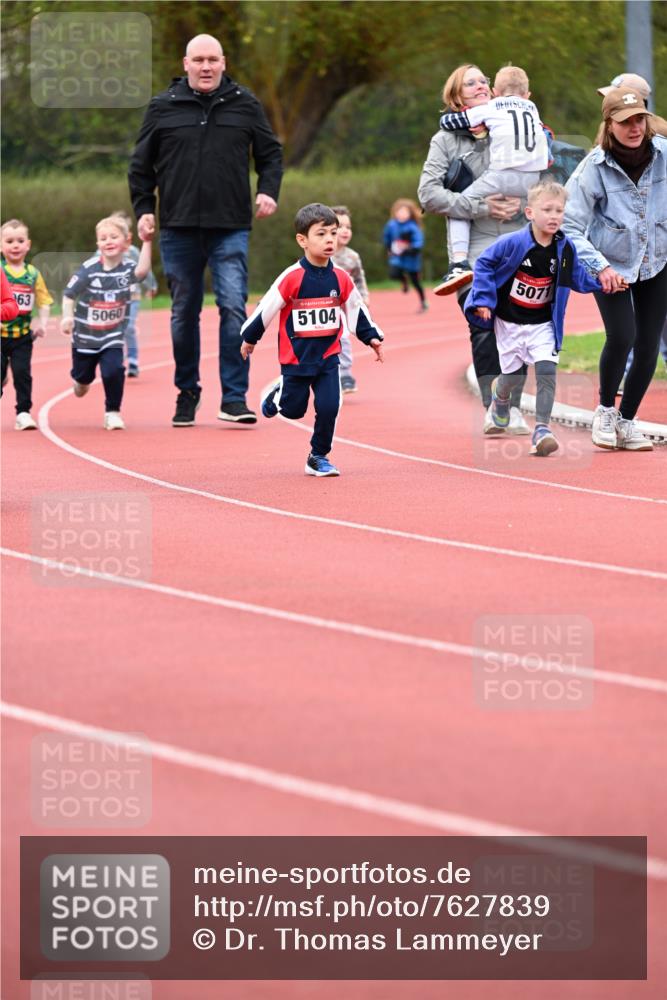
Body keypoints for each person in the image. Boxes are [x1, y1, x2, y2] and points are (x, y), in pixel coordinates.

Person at [128, 34, 283, 427]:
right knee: (183, 313)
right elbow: (140, 166)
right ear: (186, 64)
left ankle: (233, 398)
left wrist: (268, 191)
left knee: (233, 307)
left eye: (213, 59)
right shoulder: (163, 106)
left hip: (230, 225)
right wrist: (144, 209)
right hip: (177, 227)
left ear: (223, 62)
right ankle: (187, 391)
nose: (206, 67)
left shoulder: (245, 104)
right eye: (198, 60)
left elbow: (270, 155)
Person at [418, 63, 529, 436]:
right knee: (483, 324)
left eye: (484, 80)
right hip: (473, 249)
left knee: (519, 327)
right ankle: (494, 408)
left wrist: (525, 201)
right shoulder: (445, 140)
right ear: (456, 96)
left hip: (517, 240)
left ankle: (512, 406)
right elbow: (428, 195)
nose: (481, 85)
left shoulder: (514, 127)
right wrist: (482, 207)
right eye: (471, 82)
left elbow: (543, 177)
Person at [240, 204, 384, 477]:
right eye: (321, 234)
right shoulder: (292, 277)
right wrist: (250, 337)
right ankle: (279, 394)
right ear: (302, 240)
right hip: (296, 358)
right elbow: (267, 308)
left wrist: (372, 337)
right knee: (292, 410)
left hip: (329, 357)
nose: (330, 240)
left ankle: (318, 456)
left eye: (333, 233)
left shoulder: (341, 277)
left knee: (330, 407)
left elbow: (355, 309)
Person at [563, 87, 667, 452]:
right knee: (623, 336)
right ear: (609, 124)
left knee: (648, 344)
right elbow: (569, 225)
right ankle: (606, 410)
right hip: (612, 266)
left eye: (640, 119)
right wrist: (600, 267)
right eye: (625, 122)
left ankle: (627, 421)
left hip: (658, 261)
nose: (635, 128)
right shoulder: (593, 168)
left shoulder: (664, 154)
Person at [465, 181, 602, 456]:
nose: (554, 216)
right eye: (547, 210)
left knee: (546, 372)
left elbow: (576, 277)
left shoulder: (565, 247)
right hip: (510, 321)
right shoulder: (513, 243)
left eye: (559, 211)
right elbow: (484, 264)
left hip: (543, 324)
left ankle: (542, 430)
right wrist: (483, 300)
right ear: (530, 213)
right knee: (512, 377)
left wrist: (603, 283)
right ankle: (500, 398)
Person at [436, 65, 549, 295]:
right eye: (471, 83)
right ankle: (545, 257)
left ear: (495, 92)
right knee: (540, 211)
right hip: (532, 178)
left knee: (460, 205)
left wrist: (466, 119)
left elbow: (448, 123)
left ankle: (459, 264)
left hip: (502, 174)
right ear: (527, 94)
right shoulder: (533, 109)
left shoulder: (492, 106)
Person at [596, 74, 667, 389]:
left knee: (645, 327)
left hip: (652, 249)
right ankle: (623, 379)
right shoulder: (608, 140)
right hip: (628, 249)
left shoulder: (658, 137)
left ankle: (625, 377)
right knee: (636, 328)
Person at [61, 216, 152, 430]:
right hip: (85, 338)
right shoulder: (89, 269)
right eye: (103, 238)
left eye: (113, 237)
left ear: (126, 242)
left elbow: (142, 271)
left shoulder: (128, 269)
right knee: (83, 379)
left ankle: (112, 412)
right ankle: (80, 381)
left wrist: (147, 241)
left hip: (112, 335)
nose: (108, 241)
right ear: (98, 244)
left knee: (113, 371)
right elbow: (69, 295)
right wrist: (67, 317)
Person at [1, 219, 53, 430]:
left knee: (22, 373)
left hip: (22, 336)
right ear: (1, 246)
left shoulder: (32, 274)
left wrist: (43, 323)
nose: (15, 245)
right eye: (9, 241)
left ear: (28, 245)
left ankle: (23, 412)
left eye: (20, 241)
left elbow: (44, 301)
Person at [108, 211, 158, 378]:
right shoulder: (104, 250)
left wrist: (151, 285)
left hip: (132, 297)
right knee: (115, 329)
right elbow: (92, 267)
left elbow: (144, 268)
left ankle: (133, 360)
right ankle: (117, 359)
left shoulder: (133, 252)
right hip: (113, 298)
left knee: (128, 327)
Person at [331, 205, 370, 394]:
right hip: (322, 307)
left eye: (348, 227)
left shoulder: (352, 257)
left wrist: (364, 297)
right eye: (340, 227)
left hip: (342, 307)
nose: (345, 230)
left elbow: (359, 278)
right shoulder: (320, 254)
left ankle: (345, 374)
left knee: (343, 338)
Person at [382, 199, 428, 312]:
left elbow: (418, 242)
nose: (401, 214)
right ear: (395, 212)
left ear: (410, 214)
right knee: (394, 274)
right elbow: (386, 237)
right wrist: (389, 248)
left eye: (405, 212)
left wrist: (409, 249)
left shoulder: (413, 227)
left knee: (416, 282)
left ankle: (423, 302)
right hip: (397, 258)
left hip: (411, 259)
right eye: (399, 211)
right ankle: (404, 280)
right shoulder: (391, 225)